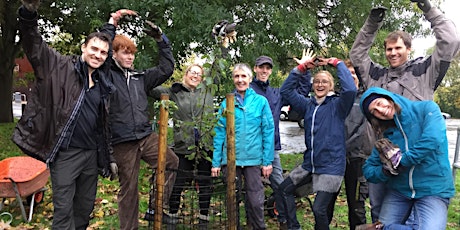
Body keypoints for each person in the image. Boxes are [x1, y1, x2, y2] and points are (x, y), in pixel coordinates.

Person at [14, 2, 135, 229]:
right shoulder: (58, 67)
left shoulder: (102, 80)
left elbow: (103, 124)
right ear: (83, 47)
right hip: (66, 154)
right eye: (93, 49)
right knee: (63, 212)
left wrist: (111, 25)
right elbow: (34, 44)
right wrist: (28, 14)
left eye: (103, 52)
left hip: (91, 154)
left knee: (84, 210)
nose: (98, 55)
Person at [349, 0, 460, 222]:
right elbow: (357, 54)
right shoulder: (375, 77)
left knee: (418, 220)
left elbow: (451, 41)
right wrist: (373, 22)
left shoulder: (425, 71)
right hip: (382, 160)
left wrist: (427, 7)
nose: (392, 53)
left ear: (408, 49)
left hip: (420, 164)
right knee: (380, 217)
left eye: (398, 48)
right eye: (389, 49)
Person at [108, 30, 179, 229]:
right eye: (124, 52)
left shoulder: (141, 77)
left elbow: (166, 68)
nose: (130, 57)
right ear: (114, 54)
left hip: (145, 136)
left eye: (132, 53)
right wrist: (111, 27)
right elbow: (101, 57)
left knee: (171, 161)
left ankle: (155, 207)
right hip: (122, 142)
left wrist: (161, 40)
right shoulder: (107, 76)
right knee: (129, 190)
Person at [278, 55, 356, 230]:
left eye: (324, 82)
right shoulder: (308, 105)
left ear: (331, 86)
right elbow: (286, 91)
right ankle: (293, 227)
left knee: (319, 209)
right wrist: (302, 69)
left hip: (331, 167)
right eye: (317, 82)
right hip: (310, 165)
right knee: (284, 189)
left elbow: (350, 90)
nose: (320, 85)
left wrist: (338, 64)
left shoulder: (337, 105)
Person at [359, 87, 455, 229]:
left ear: (388, 97)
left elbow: (433, 140)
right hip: (399, 191)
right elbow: (368, 170)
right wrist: (385, 171)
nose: (380, 110)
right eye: (374, 111)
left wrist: (402, 161)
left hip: (433, 189)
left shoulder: (426, 109)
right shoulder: (387, 135)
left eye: (379, 103)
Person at [150, 64, 214, 228]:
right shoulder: (174, 92)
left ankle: (203, 218)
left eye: (199, 74)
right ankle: (172, 215)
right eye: (192, 72)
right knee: (177, 183)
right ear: (185, 74)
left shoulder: (207, 92)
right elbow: (150, 87)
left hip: (205, 147)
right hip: (182, 146)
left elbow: (217, 68)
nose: (195, 76)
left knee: (205, 183)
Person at [250, 54, 310, 229]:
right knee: (248, 187)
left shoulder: (276, 93)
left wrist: (304, 71)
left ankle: (284, 220)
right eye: (261, 67)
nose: (264, 70)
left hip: (271, 149)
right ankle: (250, 221)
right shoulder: (248, 89)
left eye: (268, 68)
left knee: (280, 185)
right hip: (250, 148)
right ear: (255, 69)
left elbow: (300, 92)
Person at [212, 63, 274, 230]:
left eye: (243, 76)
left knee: (255, 200)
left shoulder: (260, 101)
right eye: (237, 76)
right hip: (231, 159)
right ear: (233, 79)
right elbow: (219, 132)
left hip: (253, 159)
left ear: (250, 79)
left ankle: (258, 227)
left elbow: (268, 131)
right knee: (233, 198)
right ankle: (235, 227)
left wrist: (267, 161)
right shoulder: (227, 103)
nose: (240, 80)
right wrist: (216, 162)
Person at [343, 60, 376, 229]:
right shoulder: (339, 98)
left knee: (357, 204)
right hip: (339, 159)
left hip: (359, 158)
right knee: (342, 202)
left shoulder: (367, 98)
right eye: (347, 73)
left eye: (354, 73)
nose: (351, 77)